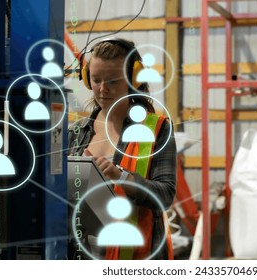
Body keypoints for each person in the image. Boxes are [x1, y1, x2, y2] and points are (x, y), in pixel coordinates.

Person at [67, 38, 176, 260]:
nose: (103, 89)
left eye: (113, 81)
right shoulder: (76, 132)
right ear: (87, 79)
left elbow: (165, 195)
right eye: (96, 80)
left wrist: (121, 176)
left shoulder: (156, 130)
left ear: (133, 80)